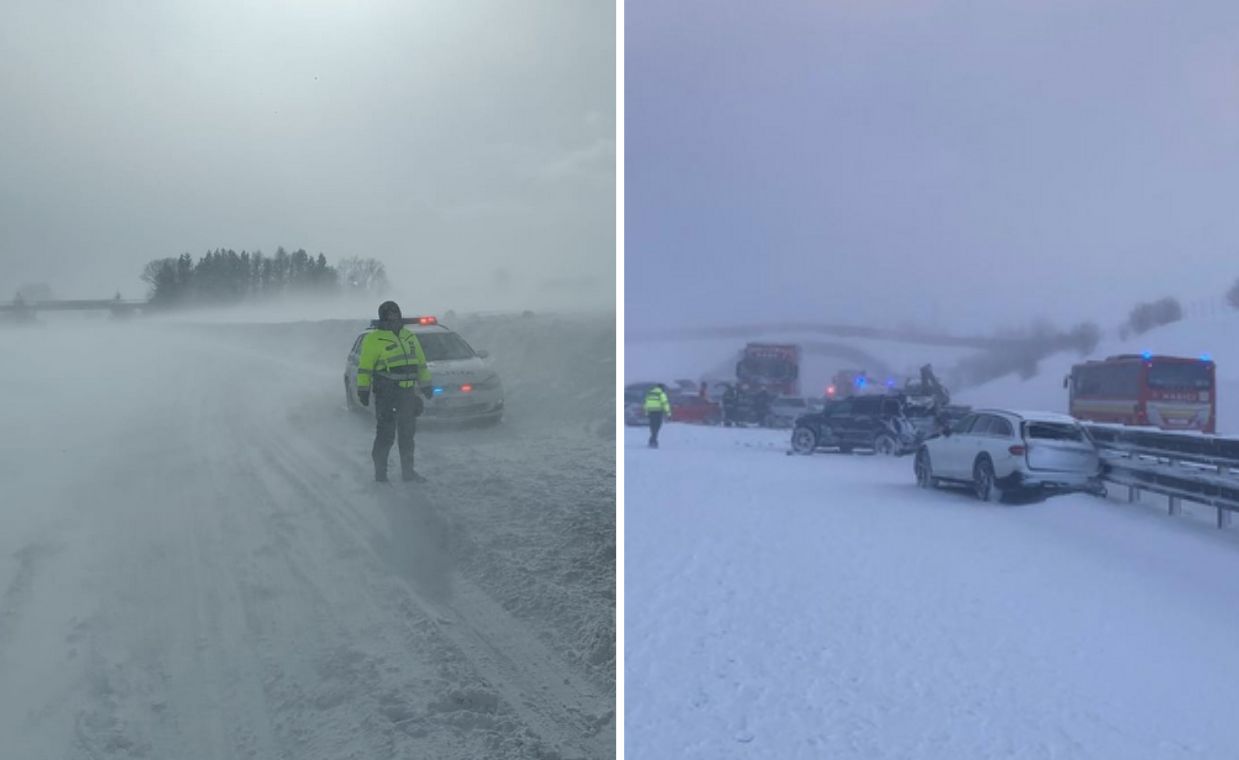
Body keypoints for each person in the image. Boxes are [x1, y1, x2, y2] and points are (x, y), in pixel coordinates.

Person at [357, 300, 433, 482]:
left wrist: (426, 384)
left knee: (407, 435)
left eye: (395, 315)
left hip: (407, 394)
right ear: (382, 318)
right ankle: (381, 474)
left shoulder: (409, 336)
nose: (393, 319)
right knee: (386, 435)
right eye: (389, 316)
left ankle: (408, 472)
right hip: (386, 394)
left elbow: (420, 364)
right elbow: (365, 368)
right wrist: (363, 389)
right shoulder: (373, 339)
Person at [643, 383, 672, 448]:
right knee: (657, 426)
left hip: (651, 412)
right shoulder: (661, 394)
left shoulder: (649, 393)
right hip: (658, 412)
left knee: (652, 427)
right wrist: (668, 413)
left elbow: (646, 403)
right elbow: (665, 403)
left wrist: (646, 413)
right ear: (662, 388)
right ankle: (653, 441)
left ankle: (652, 440)